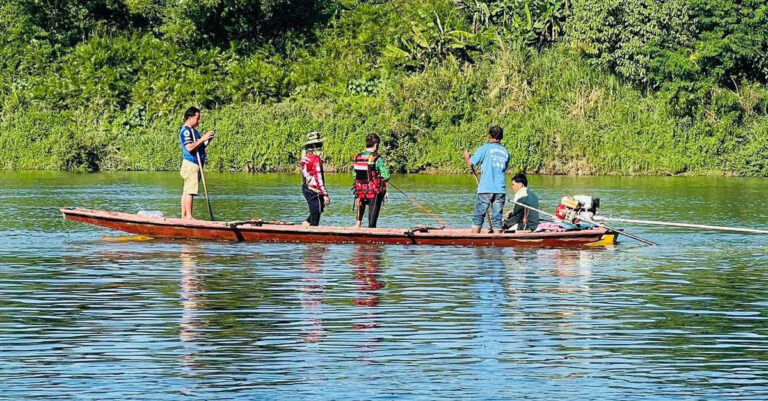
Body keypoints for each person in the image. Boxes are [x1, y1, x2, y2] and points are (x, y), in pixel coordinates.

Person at [464, 125, 510, 233]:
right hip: (500, 189)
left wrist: (467, 156)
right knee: (497, 218)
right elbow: (504, 168)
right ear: (501, 137)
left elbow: (471, 162)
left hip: (486, 188)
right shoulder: (506, 152)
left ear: (489, 136)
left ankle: (474, 238)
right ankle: (497, 239)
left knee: (479, 216)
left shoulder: (484, 148)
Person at [179, 107, 215, 220]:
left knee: (187, 190)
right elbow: (189, 147)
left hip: (195, 164)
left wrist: (207, 140)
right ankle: (188, 216)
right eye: (197, 118)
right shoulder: (186, 130)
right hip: (191, 164)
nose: (198, 121)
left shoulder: (194, 131)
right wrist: (202, 139)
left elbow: (199, 147)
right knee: (190, 190)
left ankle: (185, 216)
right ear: (190, 118)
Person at [353, 133, 390, 228]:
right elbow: (386, 176)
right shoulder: (377, 159)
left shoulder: (357, 157)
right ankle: (371, 228)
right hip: (373, 192)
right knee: (372, 223)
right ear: (376, 145)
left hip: (360, 190)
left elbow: (354, 175)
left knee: (360, 199)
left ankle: (358, 224)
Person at [300, 131, 330, 227]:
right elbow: (319, 178)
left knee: (318, 209)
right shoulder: (315, 159)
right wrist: (325, 194)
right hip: (314, 189)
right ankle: (312, 238)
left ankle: (306, 224)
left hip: (306, 187)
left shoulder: (305, 157)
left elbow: (304, 175)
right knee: (316, 214)